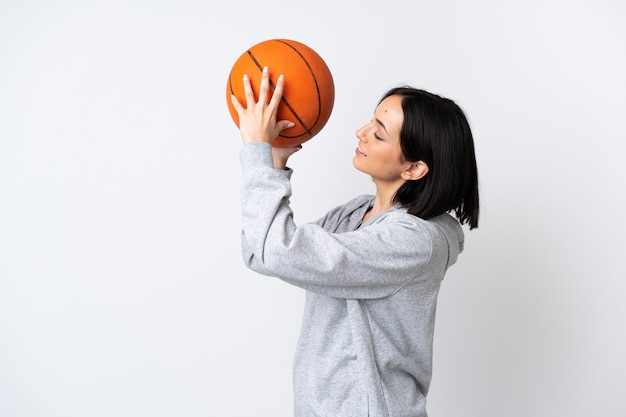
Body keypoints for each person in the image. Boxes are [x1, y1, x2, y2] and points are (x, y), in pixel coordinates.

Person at [230, 66, 479, 417]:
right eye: (370, 123)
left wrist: (257, 154)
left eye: (378, 134)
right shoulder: (353, 215)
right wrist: (276, 160)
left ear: (414, 168)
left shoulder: (413, 242)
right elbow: (260, 250)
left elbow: (275, 249)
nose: (360, 133)